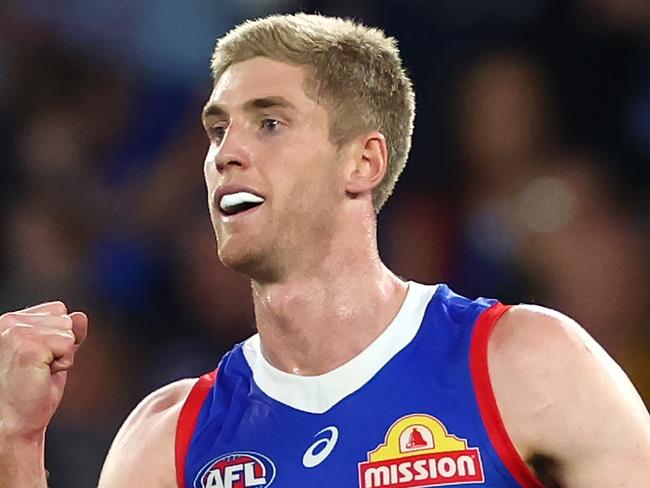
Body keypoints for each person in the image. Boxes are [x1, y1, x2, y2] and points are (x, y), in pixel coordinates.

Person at [1, 13, 649, 488]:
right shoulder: (168, 438)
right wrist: (16, 442)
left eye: (271, 122)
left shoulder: (526, 364)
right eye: (217, 129)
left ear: (363, 160)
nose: (226, 152)